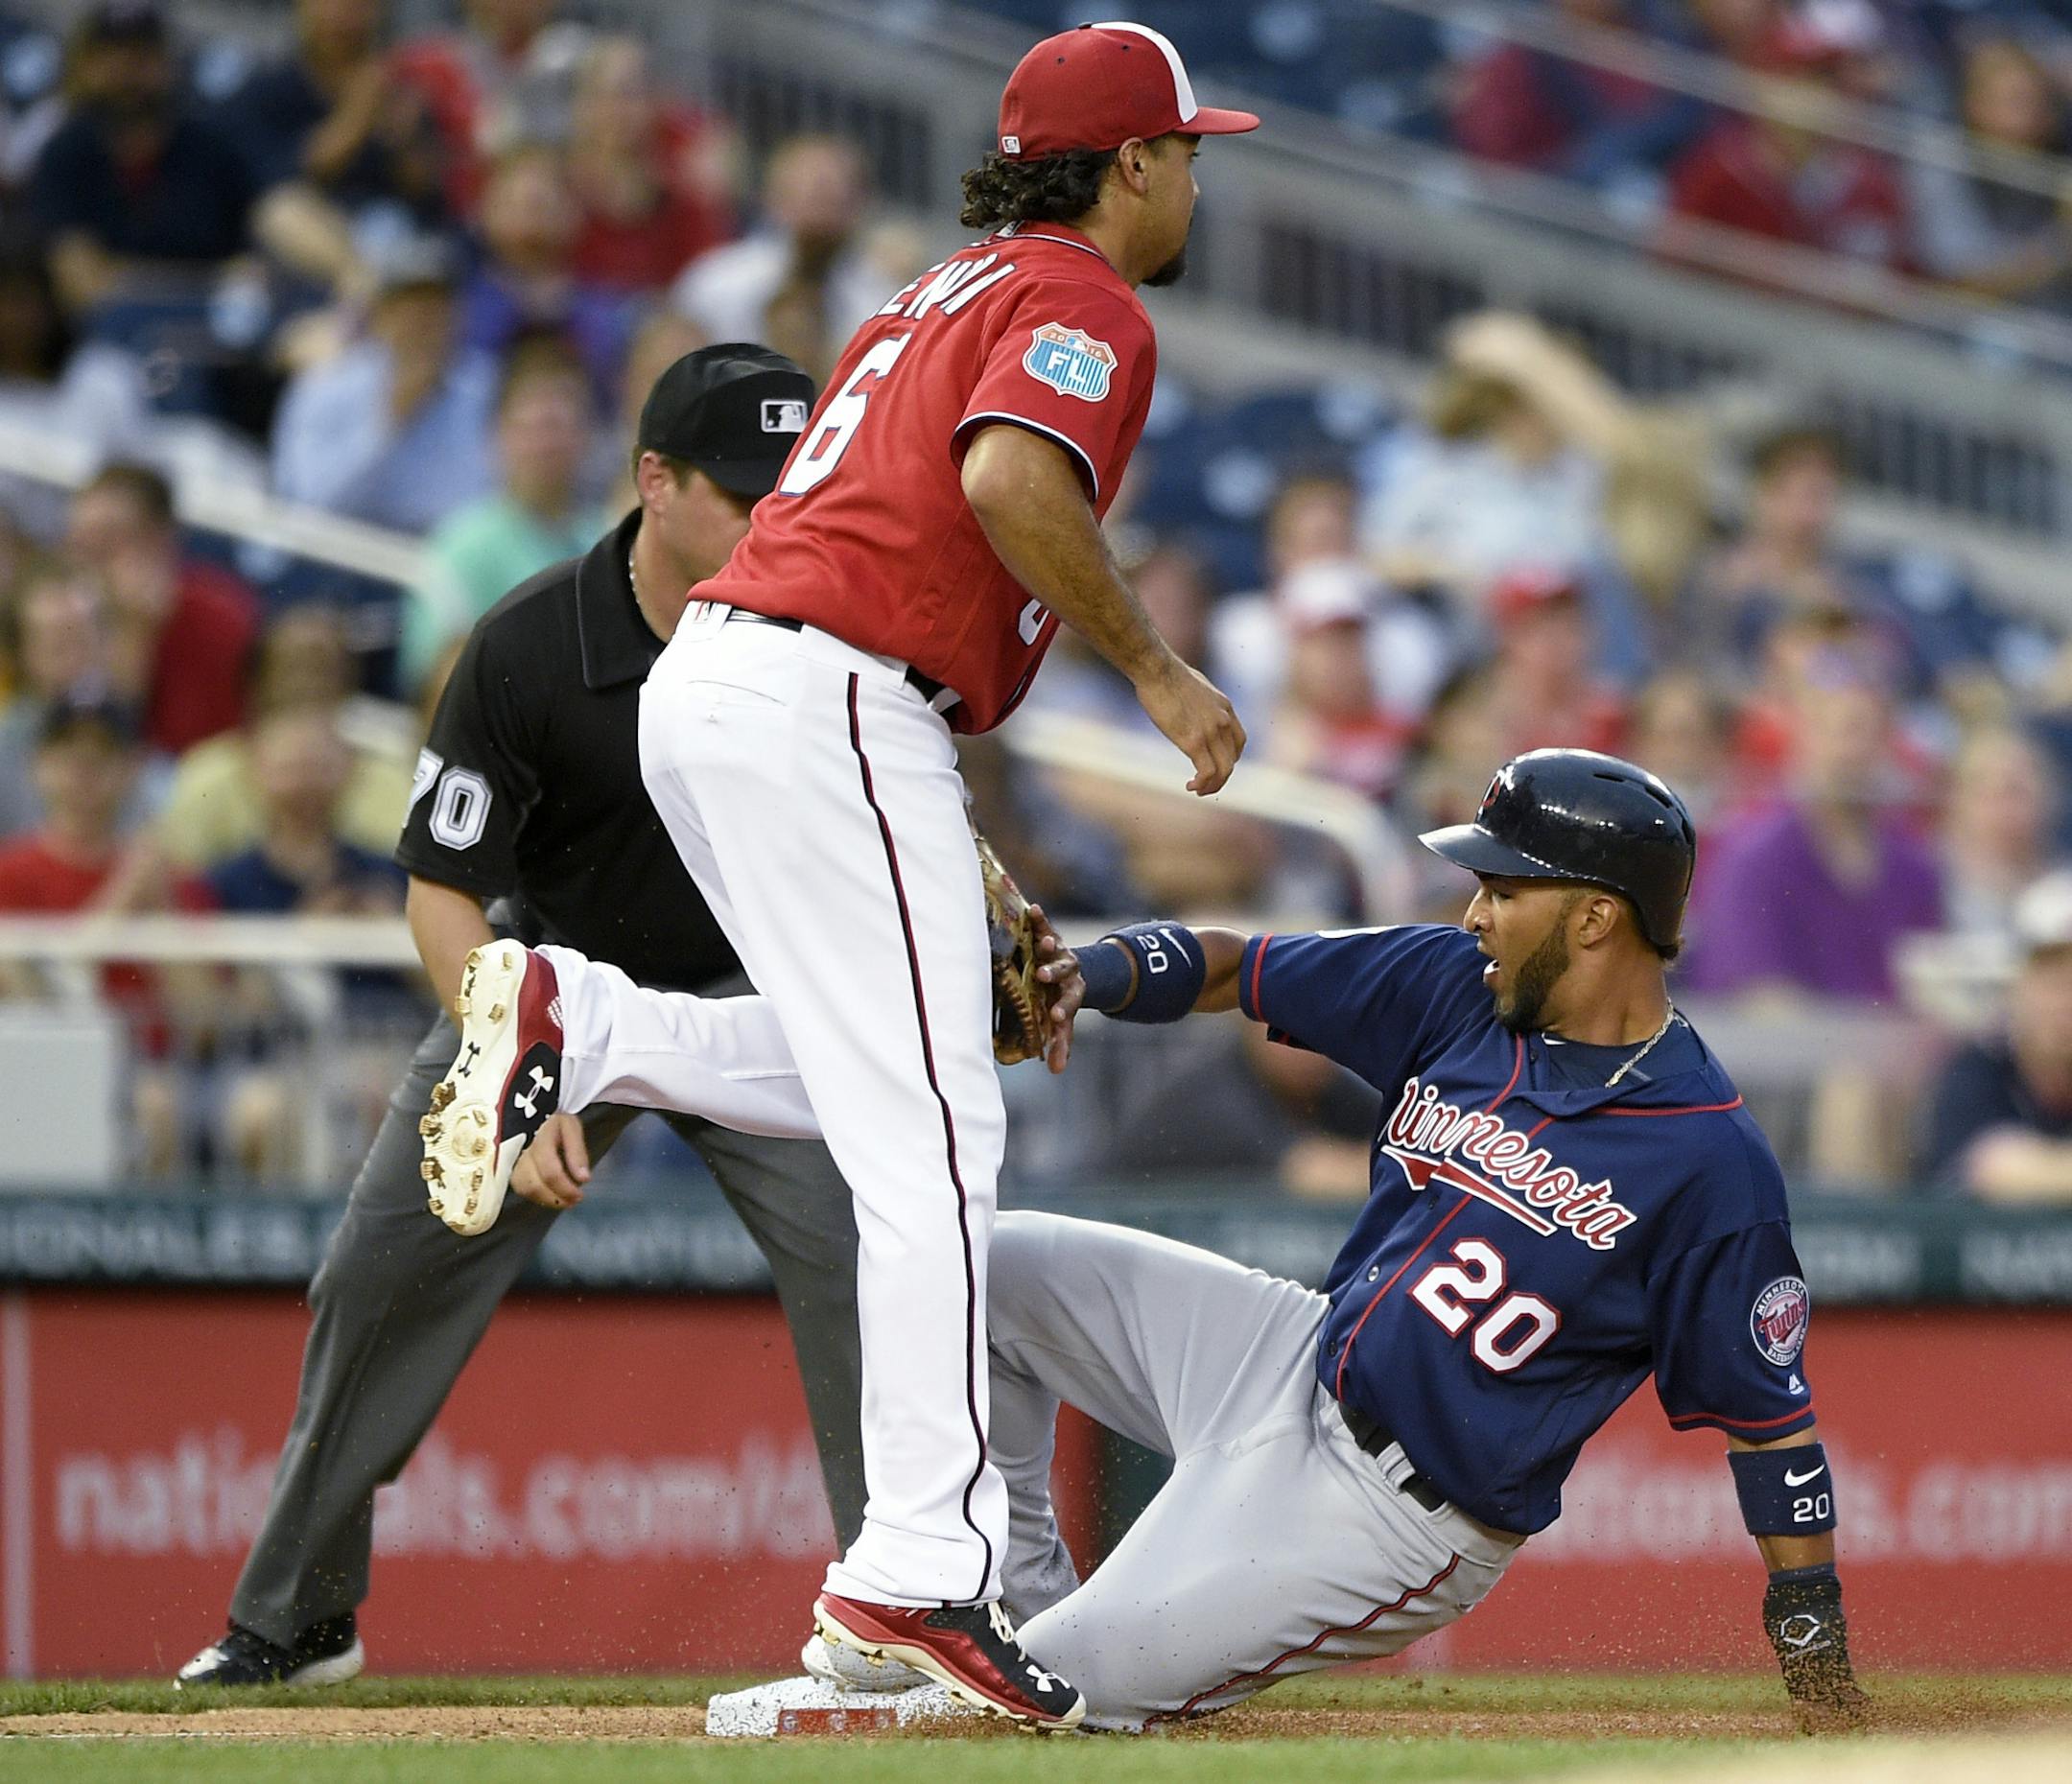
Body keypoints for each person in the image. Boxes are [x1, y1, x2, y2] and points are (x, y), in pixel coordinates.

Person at [417, 21, 1256, 1728]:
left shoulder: (930, 291)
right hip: (828, 701)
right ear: (1131, 166)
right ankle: (919, 1578)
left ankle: (589, 1016)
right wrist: (1160, 673)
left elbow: (898, 574)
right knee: (940, 1136)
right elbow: (1009, 482)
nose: (1194, 177)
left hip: (736, 687)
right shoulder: (1086, 299)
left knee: (875, 1083)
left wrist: (987, 895)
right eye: (1184, 150)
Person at [460, 749, 1868, 1733]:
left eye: (1505, 886)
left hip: (1393, 1515)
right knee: (986, 1273)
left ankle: (1005, 1667)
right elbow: (1233, 967)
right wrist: (1088, 974)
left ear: (1600, 916)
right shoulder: (1456, 987)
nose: (1476, 906)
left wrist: (1815, 1660)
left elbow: (1771, 1426)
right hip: (1288, 1355)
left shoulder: (1707, 1158)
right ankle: (993, 1596)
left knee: (1041, 1711)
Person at [173, 343, 874, 1687]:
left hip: (763, 997)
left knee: (867, 1257)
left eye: (792, 491)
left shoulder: (833, 632)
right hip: (560, 981)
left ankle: (902, 1607)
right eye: (743, 492)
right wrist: (521, 1060)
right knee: (379, 1276)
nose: (773, 519)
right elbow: (442, 893)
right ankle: (298, 1617)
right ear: (653, 482)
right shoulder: (530, 645)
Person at [400, 334, 604, 688]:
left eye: (559, 426)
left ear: (585, 435)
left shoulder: (609, 538)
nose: (547, 444)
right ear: (498, 436)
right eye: (533, 428)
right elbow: (433, 672)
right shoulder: (459, 542)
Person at [270, 236, 499, 536]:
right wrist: (388, 421)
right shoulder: (325, 385)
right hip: (339, 557)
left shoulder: (484, 387)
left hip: (444, 555)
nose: (424, 321)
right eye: (410, 307)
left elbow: (486, 500)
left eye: (437, 306)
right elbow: (311, 507)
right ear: (381, 315)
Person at [64, 460, 262, 755]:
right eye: (82, 541)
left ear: (161, 540)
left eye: (108, 539)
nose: (91, 558)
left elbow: (200, 743)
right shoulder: (56, 615)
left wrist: (137, 633)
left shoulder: (219, 615)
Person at [1924, 869, 2072, 1201]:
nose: (2066, 999)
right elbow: (1993, 1167)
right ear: (2017, 986)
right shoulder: (1980, 1067)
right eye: (2052, 979)